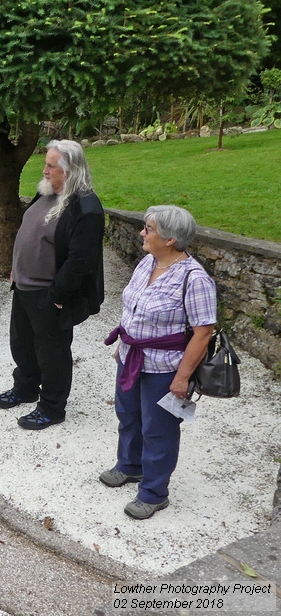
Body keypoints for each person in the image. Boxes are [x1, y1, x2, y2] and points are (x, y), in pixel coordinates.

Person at [100, 205, 216, 520]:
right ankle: (130, 466)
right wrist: (124, 343)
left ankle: (154, 493)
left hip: (165, 367)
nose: (142, 232)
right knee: (127, 415)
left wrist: (181, 378)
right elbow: (133, 309)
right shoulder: (147, 263)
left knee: (158, 430)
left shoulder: (194, 279)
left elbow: (203, 333)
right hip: (132, 357)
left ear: (170, 239)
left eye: (148, 229)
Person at [0, 139, 105, 430]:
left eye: (51, 166)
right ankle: (26, 387)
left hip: (49, 293)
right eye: (46, 164)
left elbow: (81, 261)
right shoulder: (47, 193)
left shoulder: (86, 207)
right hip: (25, 287)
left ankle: (52, 407)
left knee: (52, 351)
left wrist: (58, 295)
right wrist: (17, 271)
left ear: (69, 170)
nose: (44, 171)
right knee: (23, 343)